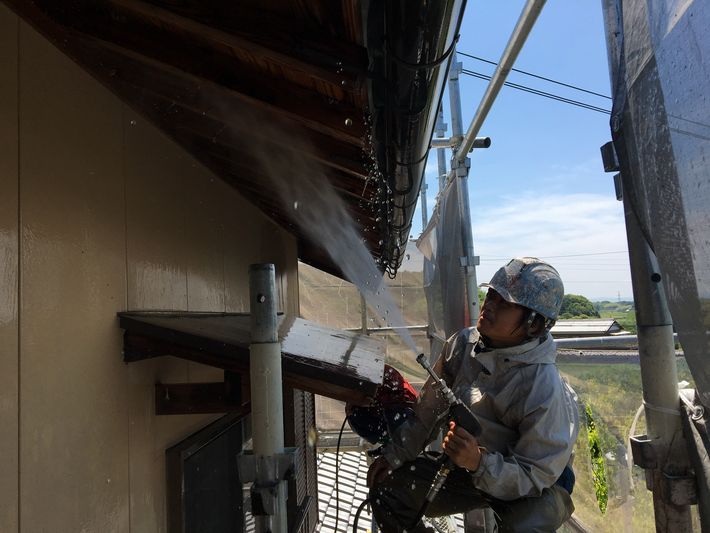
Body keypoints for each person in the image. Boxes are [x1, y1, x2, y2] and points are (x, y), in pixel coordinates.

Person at [366, 257, 580, 532]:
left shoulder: (543, 387)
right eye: (491, 294)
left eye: (505, 302)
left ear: (535, 325)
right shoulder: (463, 344)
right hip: (469, 467)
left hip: (534, 485)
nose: (490, 304)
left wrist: (479, 462)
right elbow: (427, 413)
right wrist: (394, 456)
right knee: (390, 491)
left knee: (524, 526)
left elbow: (534, 473)